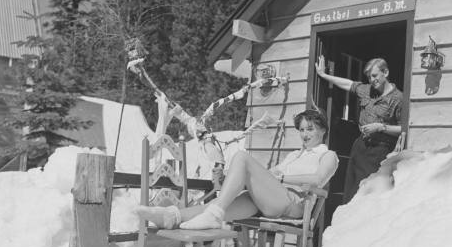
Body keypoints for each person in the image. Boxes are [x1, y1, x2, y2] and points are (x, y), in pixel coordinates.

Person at [136, 109, 339, 230]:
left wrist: (283, 177)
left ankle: (212, 214)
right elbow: (271, 175)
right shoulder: (295, 154)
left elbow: (318, 179)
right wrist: (239, 178)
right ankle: (172, 216)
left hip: (294, 205)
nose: (304, 134)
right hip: (273, 199)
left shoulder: (328, 155)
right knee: (223, 202)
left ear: (323, 130)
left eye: (310, 129)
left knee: (241, 157)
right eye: (302, 130)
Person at [315, 55, 403, 203]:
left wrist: (380, 127)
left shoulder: (398, 98)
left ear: (385, 73)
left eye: (374, 75)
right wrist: (324, 75)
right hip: (360, 146)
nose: (371, 80)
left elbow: (403, 128)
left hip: (380, 150)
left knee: (369, 193)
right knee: (351, 190)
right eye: (369, 77)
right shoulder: (367, 90)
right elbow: (347, 84)